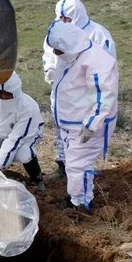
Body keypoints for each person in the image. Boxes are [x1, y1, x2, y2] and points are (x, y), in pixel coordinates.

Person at [45, 21, 118, 212]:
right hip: (74, 119)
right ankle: (77, 197)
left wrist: (91, 124)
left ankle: (81, 204)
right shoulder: (73, 54)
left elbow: (103, 96)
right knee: (74, 164)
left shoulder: (96, 60)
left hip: (87, 124)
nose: (55, 54)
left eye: (58, 50)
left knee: (79, 165)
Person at [42, 0, 116, 178]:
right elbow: (49, 53)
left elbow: (105, 68)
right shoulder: (57, 32)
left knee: (83, 137)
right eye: (61, 18)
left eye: (68, 18)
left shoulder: (98, 34)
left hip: (85, 95)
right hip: (62, 92)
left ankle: (82, 173)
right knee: (62, 130)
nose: (65, 21)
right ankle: (63, 165)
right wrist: (50, 69)